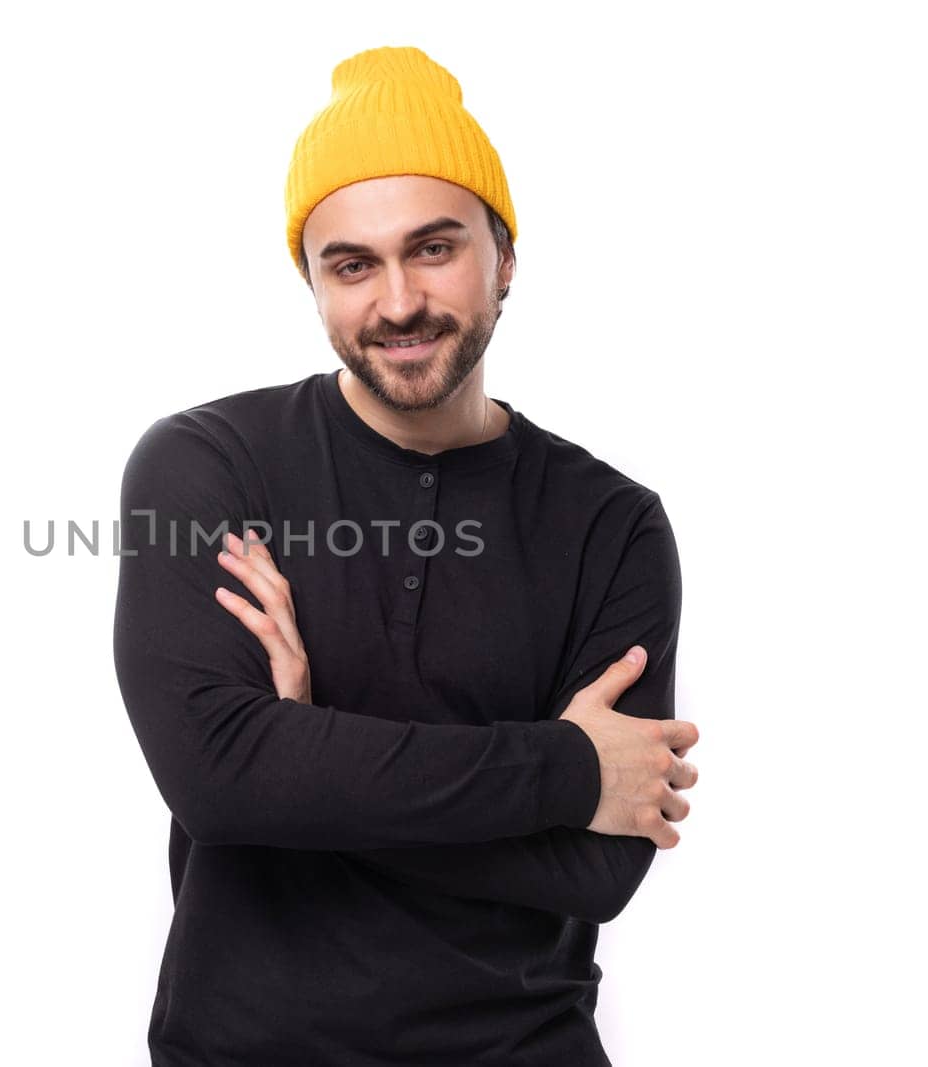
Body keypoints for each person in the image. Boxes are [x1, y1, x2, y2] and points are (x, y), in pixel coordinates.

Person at [112, 44, 700, 1065]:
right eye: (351, 263)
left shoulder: (612, 522)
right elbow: (215, 782)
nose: (395, 303)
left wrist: (301, 756)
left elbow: (598, 870)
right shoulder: (208, 465)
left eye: (433, 248)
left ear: (503, 257)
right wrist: (562, 766)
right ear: (312, 278)